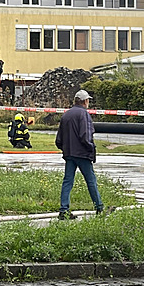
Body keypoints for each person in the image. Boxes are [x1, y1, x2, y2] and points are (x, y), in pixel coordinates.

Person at [55, 89, 104, 220]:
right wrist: (91, 149)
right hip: (82, 154)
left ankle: (63, 210)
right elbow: (85, 136)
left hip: (69, 154)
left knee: (67, 181)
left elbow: (58, 139)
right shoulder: (84, 115)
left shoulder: (66, 115)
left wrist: (65, 148)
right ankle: (99, 207)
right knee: (91, 181)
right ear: (85, 101)